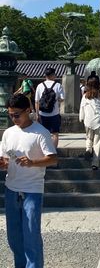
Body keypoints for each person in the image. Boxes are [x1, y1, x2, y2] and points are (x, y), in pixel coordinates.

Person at [0, 93, 57, 268]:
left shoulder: (41, 132)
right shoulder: (8, 133)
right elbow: (4, 158)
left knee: (31, 236)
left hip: (32, 190)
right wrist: (2, 163)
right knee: (14, 237)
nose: (13, 118)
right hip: (11, 188)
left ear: (28, 110)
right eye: (10, 115)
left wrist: (33, 162)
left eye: (17, 114)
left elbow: (53, 159)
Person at [79, 76, 100, 170]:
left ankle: (88, 149)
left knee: (89, 137)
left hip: (88, 120)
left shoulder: (85, 95)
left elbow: (82, 107)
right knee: (97, 142)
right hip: (99, 120)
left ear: (87, 84)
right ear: (98, 84)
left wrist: (81, 118)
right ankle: (95, 163)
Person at [35, 67, 64, 148]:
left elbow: (37, 101)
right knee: (55, 134)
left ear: (45, 75)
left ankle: (44, 149)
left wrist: (37, 114)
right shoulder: (58, 85)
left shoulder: (40, 86)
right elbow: (62, 99)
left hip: (42, 114)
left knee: (42, 134)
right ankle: (53, 151)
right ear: (53, 75)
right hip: (54, 113)